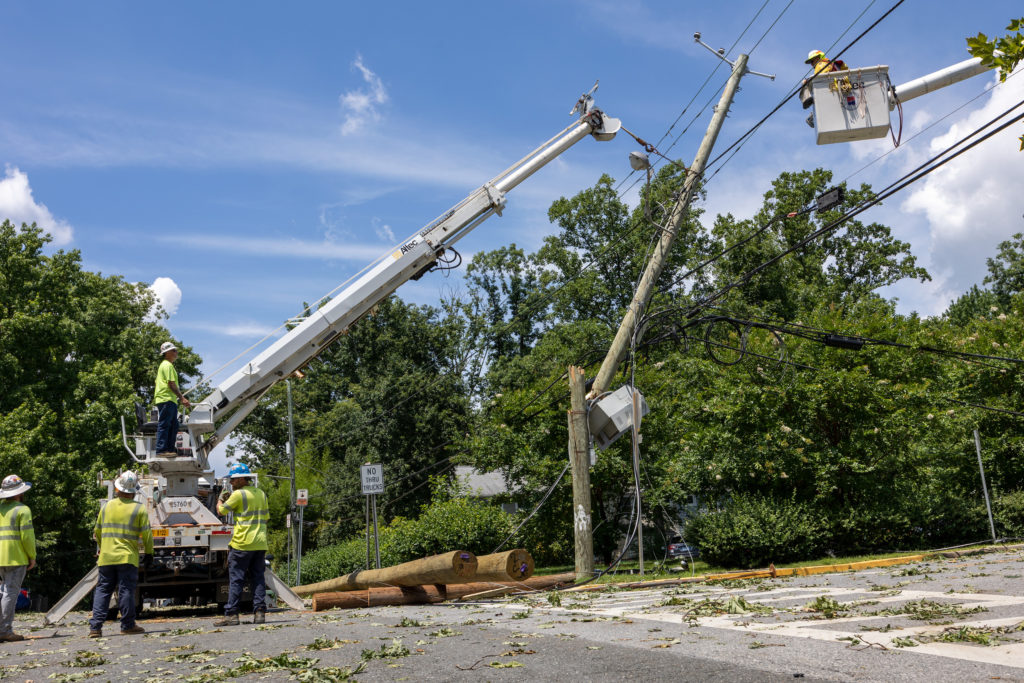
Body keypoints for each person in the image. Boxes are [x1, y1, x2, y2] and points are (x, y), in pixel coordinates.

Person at [89, 471, 153, 638]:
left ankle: (95, 627)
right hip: (127, 557)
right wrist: (149, 553)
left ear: (117, 489)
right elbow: (147, 534)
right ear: (133, 491)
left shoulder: (107, 506)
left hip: (106, 557)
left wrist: (103, 548)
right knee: (125, 591)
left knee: (103, 590)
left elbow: (98, 531)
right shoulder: (138, 509)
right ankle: (128, 625)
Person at [214, 464, 269, 626]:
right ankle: (259, 613)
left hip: (242, 543)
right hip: (259, 542)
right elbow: (265, 518)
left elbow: (221, 511)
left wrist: (220, 499)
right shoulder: (261, 494)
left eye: (233, 479)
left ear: (241, 479)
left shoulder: (238, 495)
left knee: (237, 579)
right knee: (258, 578)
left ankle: (232, 614)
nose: (231, 482)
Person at [0, 475, 36, 643]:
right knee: (10, 593)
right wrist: (32, 556)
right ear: (19, 493)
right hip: (16, 558)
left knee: (2, 592)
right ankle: (5, 630)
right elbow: (27, 537)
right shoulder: (23, 510)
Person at [154, 341, 190, 456]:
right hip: (166, 398)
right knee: (165, 424)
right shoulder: (167, 365)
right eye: (173, 350)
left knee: (173, 425)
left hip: (169, 399)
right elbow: (171, 384)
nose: (176, 352)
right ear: (167, 353)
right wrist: (182, 398)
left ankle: (169, 449)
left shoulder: (167, 365)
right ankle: (161, 449)